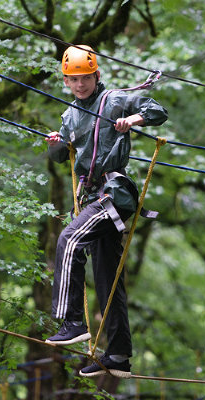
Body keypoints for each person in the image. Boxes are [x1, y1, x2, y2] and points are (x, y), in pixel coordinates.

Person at [44, 45, 168, 378]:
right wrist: (55, 143)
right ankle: (118, 356)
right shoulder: (70, 114)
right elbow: (60, 157)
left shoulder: (113, 100)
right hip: (91, 198)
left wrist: (133, 120)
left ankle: (72, 322)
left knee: (69, 241)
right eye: (74, 79)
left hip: (113, 194)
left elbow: (157, 110)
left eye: (85, 78)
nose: (80, 85)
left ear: (96, 76)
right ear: (67, 82)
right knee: (108, 279)